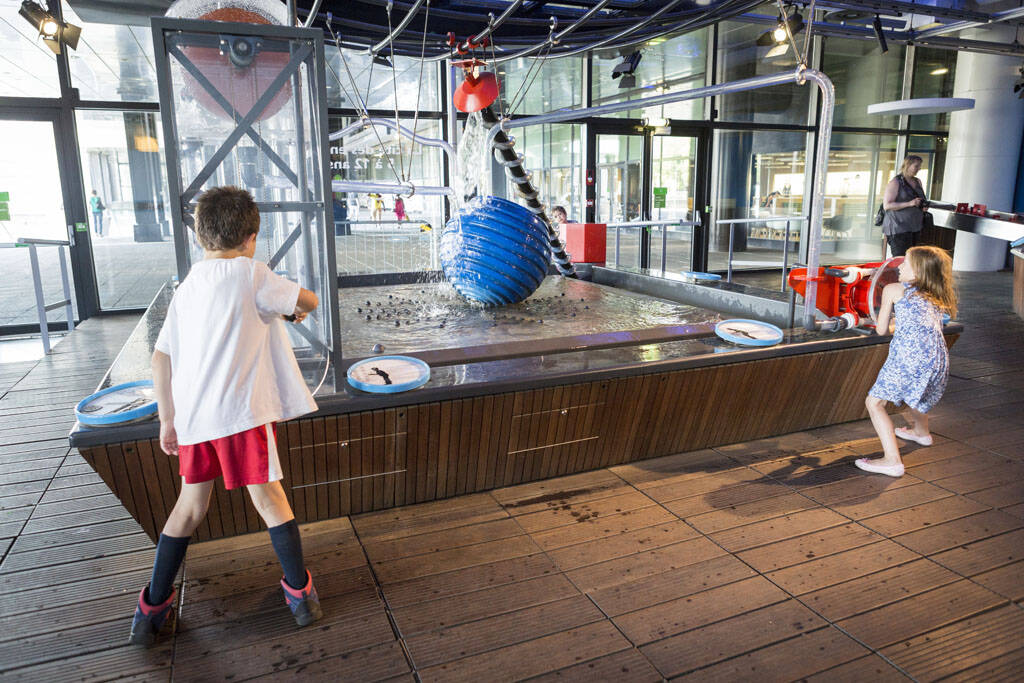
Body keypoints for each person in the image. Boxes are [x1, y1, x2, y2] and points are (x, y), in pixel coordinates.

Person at [130, 186, 322, 645]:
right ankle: (300, 596)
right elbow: (309, 301)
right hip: (241, 416)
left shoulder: (187, 287)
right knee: (270, 500)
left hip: (196, 420)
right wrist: (292, 311)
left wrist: (168, 420)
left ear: (201, 237)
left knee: (190, 508)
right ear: (251, 238)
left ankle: (151, 612)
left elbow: (161, 358)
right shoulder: (253, 274)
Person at [858, 246, 957, 478]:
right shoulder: (937, 295)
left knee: (874, 403)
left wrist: (888, 322)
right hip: (936, 357)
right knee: (918, 390)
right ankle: (921, 432)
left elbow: (881, 329)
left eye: (906, 264)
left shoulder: (893, 289)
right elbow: (921, 324)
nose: (900, 266)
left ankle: (892, 461)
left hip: (908, 358)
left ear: (919, 272)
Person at [882, 155, 928, 257]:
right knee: (900, 260)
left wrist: (922, 206)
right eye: (916, 166)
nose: (919, 169)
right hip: (898, 228)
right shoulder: (896, 182)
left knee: (911, 260)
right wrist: (909, 203)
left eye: (919, 166)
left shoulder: (917, 181)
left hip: (914, 227)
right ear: (907, 165)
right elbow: (887, 205)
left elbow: (920, 200)